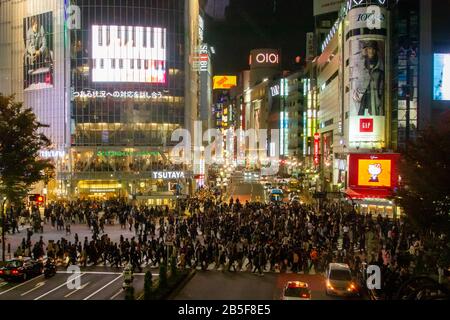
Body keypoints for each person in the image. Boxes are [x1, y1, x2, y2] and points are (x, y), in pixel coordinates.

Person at [353, 40, 385, 117]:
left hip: (374, 98)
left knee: (374, 115)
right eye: (370, 48)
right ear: (366, 50)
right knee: (360, 115)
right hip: (362, 95)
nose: (372, 51)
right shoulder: (361, 62)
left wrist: (379, 98)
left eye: (374, 49)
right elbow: (357, 77)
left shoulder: (380, 65)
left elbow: (382, 83)